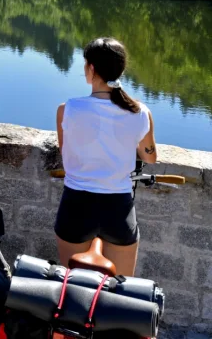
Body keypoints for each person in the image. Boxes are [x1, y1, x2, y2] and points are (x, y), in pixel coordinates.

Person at [55, 37, 158, 276]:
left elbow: (65, 151)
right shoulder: (140, 112)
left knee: (70, 285)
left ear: (91, 68)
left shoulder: (67, 109)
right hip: (118, 209)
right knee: (121, 289)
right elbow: (150, 158)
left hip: (76, 206)